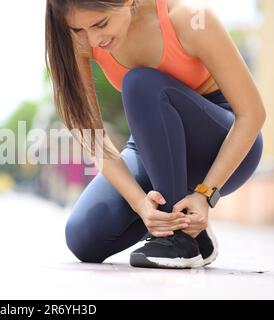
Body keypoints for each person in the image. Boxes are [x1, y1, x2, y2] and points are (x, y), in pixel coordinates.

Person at [45, 0, 265, 268]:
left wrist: (206, 194)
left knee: (139, 83)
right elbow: (89, 132)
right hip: (154, 148)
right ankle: (191, 232)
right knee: (84, 237)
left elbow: (252, 115)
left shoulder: (190, 20)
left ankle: (178, 241)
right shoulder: (79, 38)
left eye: (101, 24)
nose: (92, 39)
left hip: (223, 145)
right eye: (79, 30)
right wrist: (140, 204)